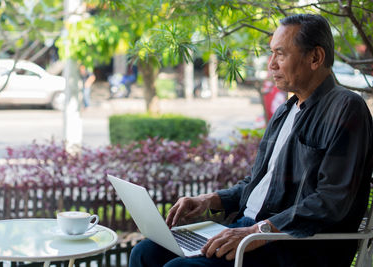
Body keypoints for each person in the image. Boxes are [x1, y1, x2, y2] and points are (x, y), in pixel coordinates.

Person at [129, 14, 373, 267]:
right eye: (271, 53)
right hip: (251, 230)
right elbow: (258, 184)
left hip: (295, 245)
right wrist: (210, 200)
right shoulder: (285, 112)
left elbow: (332, 200)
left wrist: (259, 231)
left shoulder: (346, 108)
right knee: (146, 252)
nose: (271, 65)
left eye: (280, 54)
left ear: (315, 57)